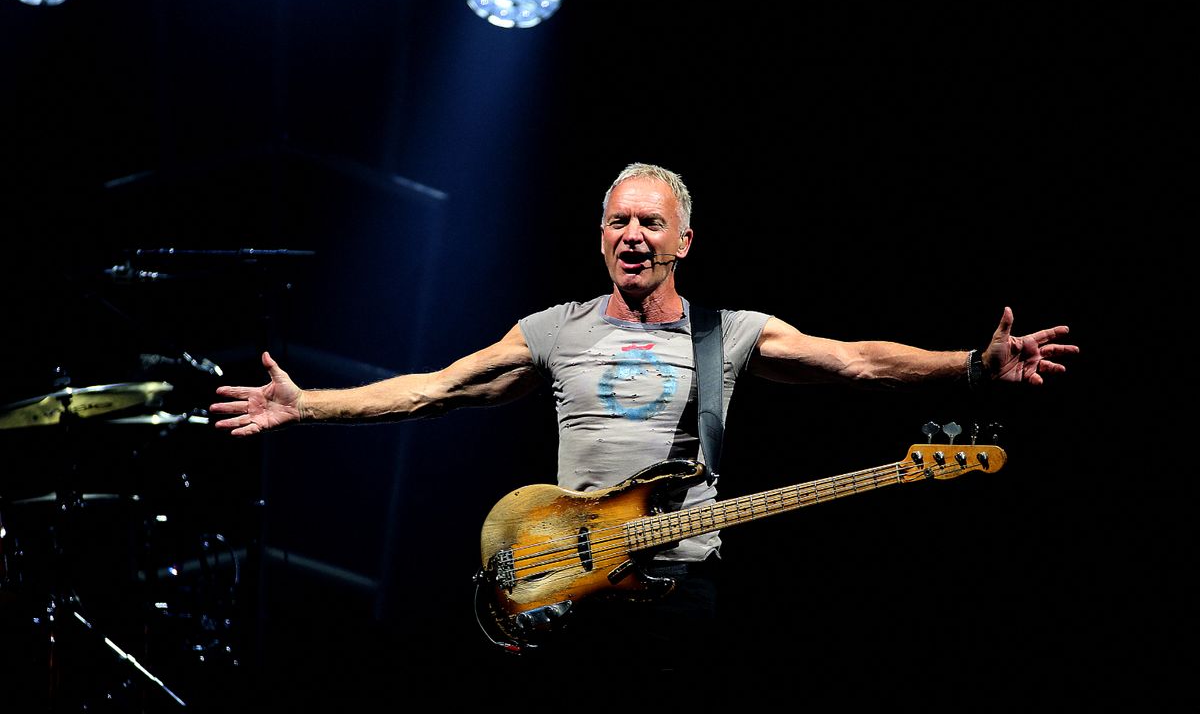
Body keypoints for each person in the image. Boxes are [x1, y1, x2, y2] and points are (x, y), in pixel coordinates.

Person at [210, 162, 1076, 675]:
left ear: (682, 242)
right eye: (619, 221)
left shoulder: (729, 335)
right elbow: (434, 388)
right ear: (600, 238)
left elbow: (855, 360)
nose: (633, 234)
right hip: (566, 597)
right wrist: (309, 405)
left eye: (651, 223)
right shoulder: (555, 329)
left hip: (680, 595)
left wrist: (967, 367)